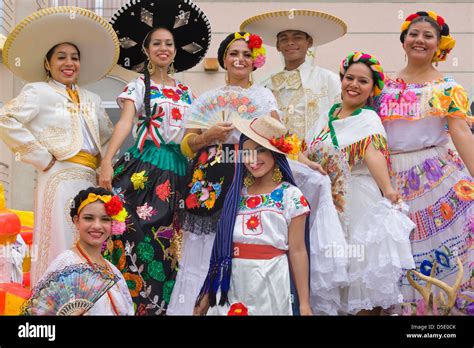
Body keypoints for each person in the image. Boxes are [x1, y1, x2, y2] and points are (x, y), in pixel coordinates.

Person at [98, 0, 211, 315]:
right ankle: (129, 305)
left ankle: (169, 308)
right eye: (156, 43)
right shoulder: (137, 86)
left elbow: (195, 137)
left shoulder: (189, 94)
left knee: (176, 246)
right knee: (137, 236)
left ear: (175, 51)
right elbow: (124, 123)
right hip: (145, 170)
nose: (163, 48)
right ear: (146, 50)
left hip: (182, 172)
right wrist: (108, 160)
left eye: (169, 44)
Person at [0, 7, 118, 286]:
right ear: (47, 63)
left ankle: (88, 300)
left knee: (89, 238)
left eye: (74, 58)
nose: (69, 63)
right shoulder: (38, 91)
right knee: (59, 239)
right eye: (61, 57)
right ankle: (53, 302)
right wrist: (42, 158)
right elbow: (6, 118)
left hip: (90, 181)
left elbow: (106, 135)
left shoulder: (91, 98)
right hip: (58, 175)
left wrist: (106, 164)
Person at [167, 31, 281, 315]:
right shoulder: (207, 98)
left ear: (255, 61)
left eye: (246, 54)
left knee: (238, 243)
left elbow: (279, 140)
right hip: (208, 179)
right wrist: (208, 136)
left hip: (247, 174)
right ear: (224, 59)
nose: (240, 59)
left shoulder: (264, 97)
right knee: (201, 248)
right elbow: (186, 146)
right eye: (234, 53)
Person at [375, 11, 473, 314]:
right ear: (404, 41)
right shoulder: (382, 86)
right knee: (402, 251)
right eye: (414, 33)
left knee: (445, 250)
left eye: (428, 36)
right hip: (389, 179)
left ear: (439, 46)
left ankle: (444, 317)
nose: (420, 40)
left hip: (437, 176)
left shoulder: (447, 88)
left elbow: (460, 133)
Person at [305, 52, 416, 315]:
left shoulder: (368, 118)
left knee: (359, 270)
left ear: (372, 89)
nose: (354, 84)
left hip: (357, 199)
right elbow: (307, 150)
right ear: (341, 79)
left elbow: (373, 153)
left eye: (363, 81)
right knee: (334, 265)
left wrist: (388, 191)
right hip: (327, 201)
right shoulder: (327, 114)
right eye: (349, 78)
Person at [195, 115, 312, 315]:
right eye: (246, 153)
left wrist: (304, 304)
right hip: (231, 282)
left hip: (271, 282)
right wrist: (207, 294)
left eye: (261, 151)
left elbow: (298, 251)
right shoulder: (236, 195)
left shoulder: (290, 196)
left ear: (276, 155)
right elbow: (221, 248)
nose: (252, 160)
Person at [240, 9, 347, 141]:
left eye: (297, 37)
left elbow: (341, 116)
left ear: (309, 42)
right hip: (274, 157)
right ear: (278, 45)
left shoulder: (329, 79)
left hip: (314, 155)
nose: (290, 42)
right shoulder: (264, 83)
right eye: (284, 39)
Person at [37, 187, 134, 315]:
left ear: (113, 224)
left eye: (105, 219)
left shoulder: (112, 270)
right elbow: (42, 309)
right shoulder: (66, 263)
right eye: (89, 218)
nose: (97, 226)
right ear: (77, 221)